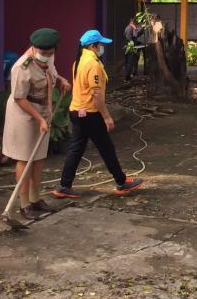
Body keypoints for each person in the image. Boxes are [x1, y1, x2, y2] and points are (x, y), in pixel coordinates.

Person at [53, 30, 143, 198]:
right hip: (90, 113)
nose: (103, 47)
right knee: (106, 148)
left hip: (77, 110)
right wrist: (107, 116)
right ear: (93, 46)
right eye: (101, 45)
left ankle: (64, 185)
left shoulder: (79, 61)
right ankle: (121, 182)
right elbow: (96, 95)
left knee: (77, 149)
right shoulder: (92, 64)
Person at [2, 28, 71, 220]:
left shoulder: (48, 58)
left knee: (39, 157)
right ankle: (24, 205)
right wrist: (39, 119)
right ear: (33, 48)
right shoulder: (21, 67)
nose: (46, 56)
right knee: (25, 158)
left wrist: (61, 82)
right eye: (43, 53)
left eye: (50, 53)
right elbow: (19, 98)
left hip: (43, 110)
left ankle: (36, 199)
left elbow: (51, 77)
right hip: (23, 114)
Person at [123, 17, 143, 82]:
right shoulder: (133, 27)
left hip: (126, 46)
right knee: (130, 62)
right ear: (133, 22)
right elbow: (136, 35)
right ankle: (127, 77)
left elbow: (125, 35)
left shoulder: (127, 27)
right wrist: (142, 30)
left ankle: (127, 76)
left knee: (127, 62)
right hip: (131, 46)